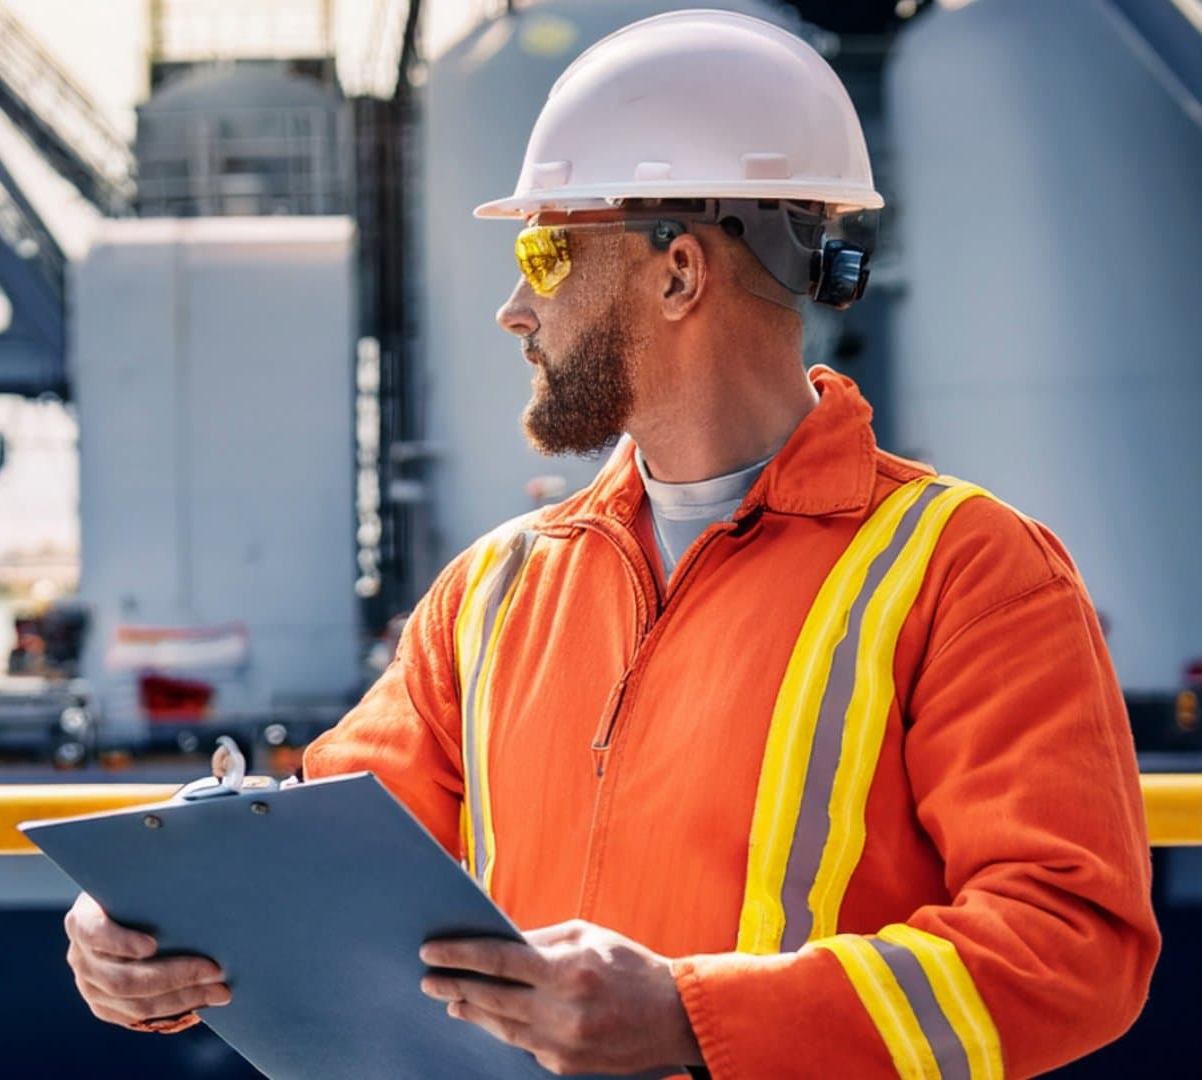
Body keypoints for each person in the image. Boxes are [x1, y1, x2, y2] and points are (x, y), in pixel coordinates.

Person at [63, 10, 1158, 1076]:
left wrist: (696, 1020)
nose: (512, 309)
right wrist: (156, 935)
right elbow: (317, 877)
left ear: (678, 271)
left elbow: (1073, 952)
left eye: (544, 254)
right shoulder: (488, 596)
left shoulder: (972, 572)